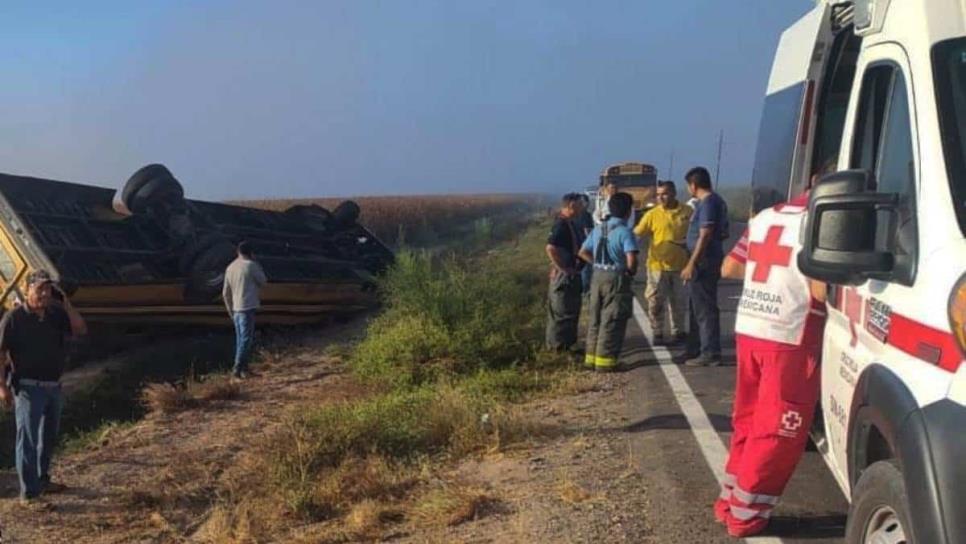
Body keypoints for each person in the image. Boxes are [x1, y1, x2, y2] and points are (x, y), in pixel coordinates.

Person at [713, 190, 826, 537]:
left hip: (751, 328)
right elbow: (821, 291)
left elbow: (730, 266)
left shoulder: (765, 217)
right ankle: (746, 515)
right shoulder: (823, 221)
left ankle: (730, 501)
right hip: (789, 336)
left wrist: (776, 277)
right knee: (780, 429)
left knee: (748, 420)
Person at [0, 270, 87, 503]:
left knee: (47, 437)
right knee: (27, 439)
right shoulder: (14, 318)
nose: (44, 293)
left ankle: (42, 480)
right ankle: (29, 494)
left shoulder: (56, 314)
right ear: (28, 289)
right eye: (39, 288)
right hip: (28, 387)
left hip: (53, 386)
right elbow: (0, 354)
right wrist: (2, 388)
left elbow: (80, 328)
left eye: (48, 289)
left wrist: (65, 301)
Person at [579, 192, 640, 371]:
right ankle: (606, 362)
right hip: (616, 278)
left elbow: (583, 252)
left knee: (595, 318)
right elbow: (631, 260)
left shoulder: (599, 229)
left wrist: (597, 263)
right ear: (629, 211)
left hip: (597, 276)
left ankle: (590, 359)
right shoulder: (625, 232)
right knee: (612, 319)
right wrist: (629, 272)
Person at [633, 181, 692, 345]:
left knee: (679, 302)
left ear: (673, 193)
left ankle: (678, 331)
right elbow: (637, 234)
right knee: (655, 302)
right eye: (658, 195)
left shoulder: (688, 212)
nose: (661, 197)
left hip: (681, 266)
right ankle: (657, 332)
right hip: (657, 267)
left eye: (664, 194)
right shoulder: (652, 214)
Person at [682, 166, 729, 366]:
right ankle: (696, 348)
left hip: (703, 262)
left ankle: (709, 352)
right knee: (696, 306)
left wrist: (692, 262)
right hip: (705, 258)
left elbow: (706, 234)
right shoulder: (714, 202)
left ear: (693, 185)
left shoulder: (708, 203)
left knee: (704, 308)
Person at [545, 193, 584, 352]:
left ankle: (568, 345)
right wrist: (562, 268)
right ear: (572, 206)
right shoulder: (560, 224)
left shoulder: (569, 223)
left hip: (570, 272)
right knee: (562, 311)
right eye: (580, 205)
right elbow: (550, 248)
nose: (583, 207)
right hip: (564, 276)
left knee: (570, 310)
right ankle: (558, 348)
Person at [223, 241, 268, 379]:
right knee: (246, 340)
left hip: (236, 309)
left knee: (240, 340)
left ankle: (244, 370)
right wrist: (259, 266)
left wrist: (230, 310)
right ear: (251, 253)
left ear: (238, 252)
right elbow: (263, 282)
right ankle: (237, 369)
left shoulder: (230, 267)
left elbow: (225, 293)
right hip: (247, 307)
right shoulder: (251, 266)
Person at [573, 194, 595, 294]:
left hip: (575, 244)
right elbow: (588, 232)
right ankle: (584, 291)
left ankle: (579, 290)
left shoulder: (574, 215)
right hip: (585, 245)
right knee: (586, 269)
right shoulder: (586, 215)